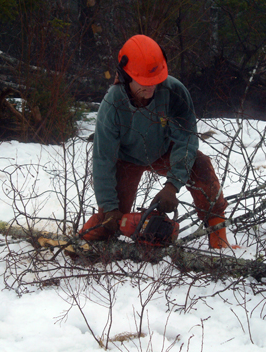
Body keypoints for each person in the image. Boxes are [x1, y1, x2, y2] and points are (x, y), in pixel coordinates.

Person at [79, 34, 233, 249]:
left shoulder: (174, 91)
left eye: (155, 82)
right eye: (144, 83)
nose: (151, 89)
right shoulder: (112, 103)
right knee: (111, 218)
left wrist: (172, 185)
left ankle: (219, 241)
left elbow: (186, 140)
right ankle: (85, 242)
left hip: (163, 150)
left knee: (201, 167)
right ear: (126, 76)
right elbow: (103, 159)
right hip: (126, 158)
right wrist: (109, 206)